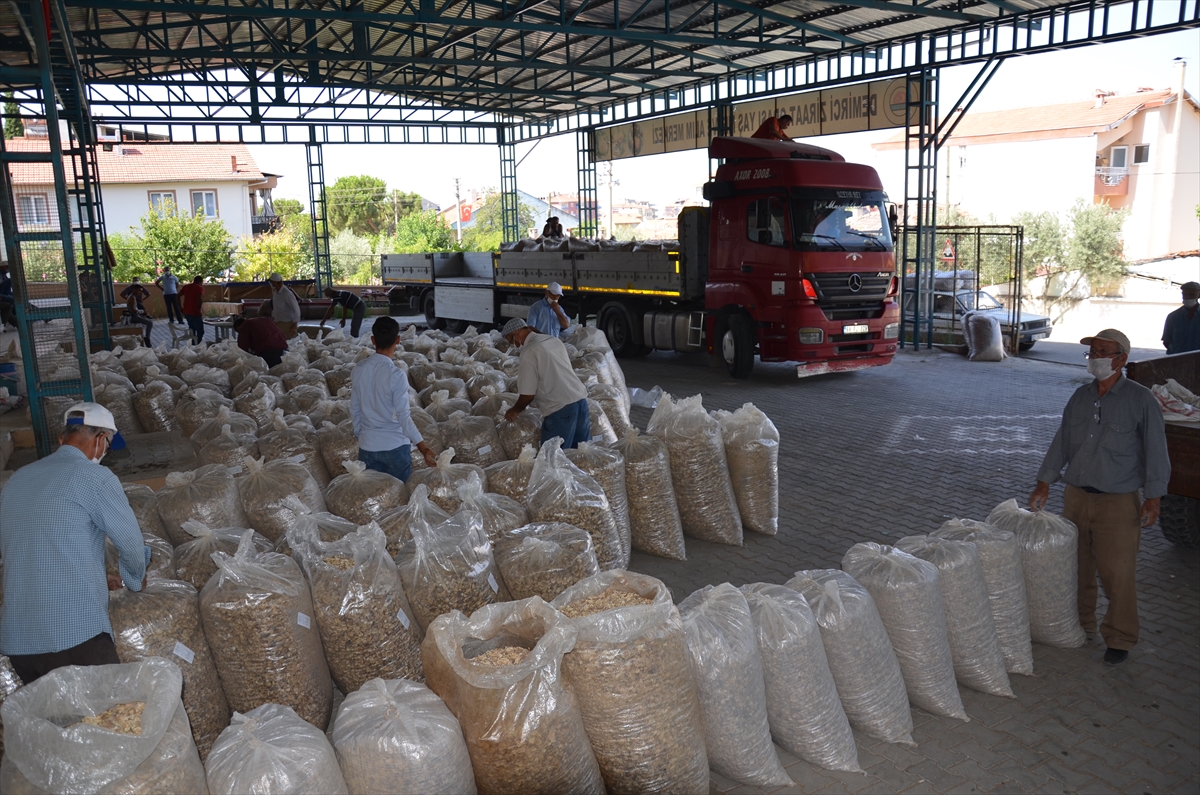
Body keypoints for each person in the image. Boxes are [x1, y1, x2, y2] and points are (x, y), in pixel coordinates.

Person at [1028, 328, 1169, 666]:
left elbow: (1155, 451)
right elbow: (1062, 442)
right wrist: (1044, 482)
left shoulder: (1140, 400)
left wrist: (1153, 497)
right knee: (1078, 567)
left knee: (1116, 574)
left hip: (1117, 503)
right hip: (1076, 498)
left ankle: (1120, 637)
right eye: (1092, 352)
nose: (1096, 358)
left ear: (1121, 358)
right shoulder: (1080, 397)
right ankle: (1081, 626)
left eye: (1103, 351)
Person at [0, 403, 148, 684]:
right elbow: (130, 544)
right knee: (108, 720)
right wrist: (134, 578)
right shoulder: (96, 478)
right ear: (101, 439)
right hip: (74, 636)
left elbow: (29, 548)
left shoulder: (16, 480)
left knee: (57, 725)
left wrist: (93, 575)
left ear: (61, 439)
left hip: (19, 642)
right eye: (107, 444)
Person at [350, 316, 437, 481]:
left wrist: (361, 434)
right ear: (398, 339)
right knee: (399, 497)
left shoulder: (358, 369)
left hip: (368, 447)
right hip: (395, 448)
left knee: (375, 499)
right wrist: (423, 448)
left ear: (373, 340)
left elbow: (354, 408)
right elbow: (404, 417)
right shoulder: (396, 375)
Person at [502, 317, 590, 449]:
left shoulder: (529, 351)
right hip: (581, 402)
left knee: (552, 459)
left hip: (560, 409)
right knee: (578, 455)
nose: (514, 345)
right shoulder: (552, 340)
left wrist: (514, 410)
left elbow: (527, 394)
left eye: (511, 340)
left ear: (517, 335)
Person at [1161, 280, 1200, 355]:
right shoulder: (1173, 317)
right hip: (1177, 362)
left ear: (1199, 295)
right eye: (1184, 294)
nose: (1187, 297)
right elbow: (1167, 342)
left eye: (1191, 295)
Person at [268, 273, 302, 339]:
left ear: (275, 282)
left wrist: (294, 326)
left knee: (289, 345)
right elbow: (276, 308)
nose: (271, 284)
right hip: (278, 323)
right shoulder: (276, 293)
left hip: (287, 324)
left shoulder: (287, 293)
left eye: (271, 282)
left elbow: (297, 309)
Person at [179, 275, 206, 345]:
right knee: (200, 331)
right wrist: (199, 309)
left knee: (192, 329)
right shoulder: (200, 288)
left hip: (186, 312)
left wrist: (180, 307)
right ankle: (198, 344)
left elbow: (177, 296)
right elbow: (200, 298)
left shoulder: (186, 287)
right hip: (195, 312)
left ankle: (193, 344)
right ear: (200, 281)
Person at [0, 261, 15, 330]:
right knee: (11, 302)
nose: (8, 269)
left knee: (15, 299)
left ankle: (37, 313)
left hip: (4, 294)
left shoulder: (3, 275)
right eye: (7, 267)